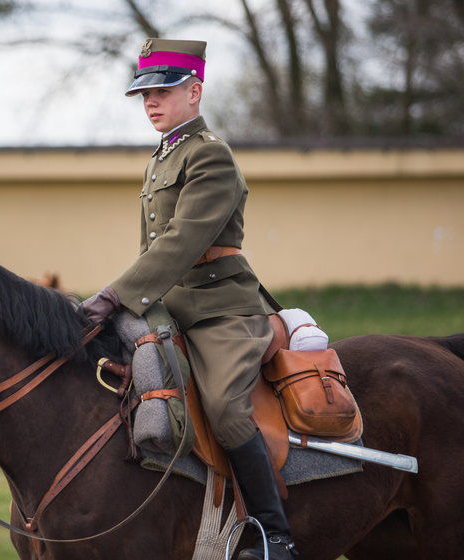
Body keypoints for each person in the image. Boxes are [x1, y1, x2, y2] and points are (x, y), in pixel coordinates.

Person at [79, 38, 297, 559]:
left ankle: (274, 535)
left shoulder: (211, 155)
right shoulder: (162, 156)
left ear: (194, 91)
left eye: (162, 90)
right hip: (169, 306)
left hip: (223, 310)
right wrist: (127, 303)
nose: (150, 101)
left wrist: (114, 294)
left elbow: (182, 241)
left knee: (225, 410)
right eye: (144, 93)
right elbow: (152, 249)